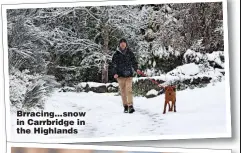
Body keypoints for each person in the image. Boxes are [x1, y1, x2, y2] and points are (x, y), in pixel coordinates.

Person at [112, 38, 141, 113]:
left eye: (124, 42)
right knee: (123, 92)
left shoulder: (130, 53)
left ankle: (130, 106)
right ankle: (125, 106)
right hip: (120, 76)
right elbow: (114, 65)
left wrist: (136, 69)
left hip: (129, 75)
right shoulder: (116, 54)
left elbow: (134, 62)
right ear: (119, 44)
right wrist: (115, 73)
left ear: (126, 44)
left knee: (129, 90)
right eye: (121, 42)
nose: (122, 44)